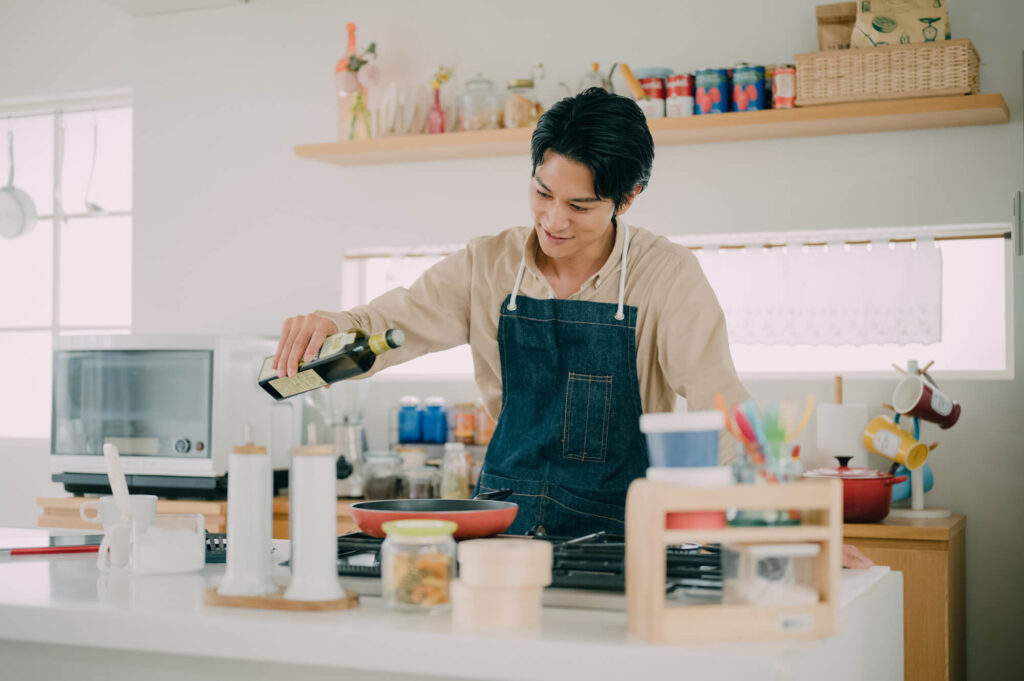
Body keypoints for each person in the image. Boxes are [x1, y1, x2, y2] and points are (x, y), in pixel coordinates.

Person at [271, 88, 870, 568]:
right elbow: (389, 325)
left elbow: (724, 408)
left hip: (618, 542)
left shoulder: (666, 276)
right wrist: (331, 329)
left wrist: (785, 525)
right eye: (541, 192)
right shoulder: (488, 263)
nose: (553, 220)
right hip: (499, 534)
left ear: (627, 198)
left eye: (580, 206)